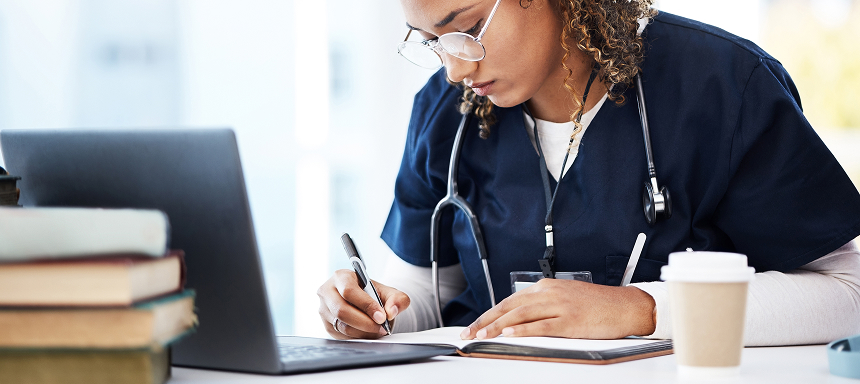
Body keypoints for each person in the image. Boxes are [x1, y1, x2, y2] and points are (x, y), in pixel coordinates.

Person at [317, 0, 860, 345]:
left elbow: (848, 294)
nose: (455, 67)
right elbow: (425, 292)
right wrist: (372, 310)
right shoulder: (444, 111)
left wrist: (640, 310)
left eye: (466, 27)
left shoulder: (721, 84)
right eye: (431, 41)